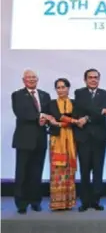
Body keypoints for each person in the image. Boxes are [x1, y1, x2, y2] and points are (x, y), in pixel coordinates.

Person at [73, 69, 106, 212]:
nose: (93, 80)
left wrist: (88, 117)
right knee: (84, 171)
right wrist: (101, 110)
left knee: (98, 170)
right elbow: (82, 107)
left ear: (99, 79)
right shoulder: (79, 93)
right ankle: (84, 201)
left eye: (96, 77)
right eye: (90, 77)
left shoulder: (105, 93)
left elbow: (98, 115)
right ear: (85, 80)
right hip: (83, 137)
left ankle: (96, 200)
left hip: (99, 137)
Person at [12, 70, 51, 214]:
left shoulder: (44, 95)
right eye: (28, 77)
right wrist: (39, 118)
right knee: (22, 172)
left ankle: (35, 201)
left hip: (40, 139)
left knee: (37, 172)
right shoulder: (17, 95)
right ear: (23, 80)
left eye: (34, 77)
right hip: (24, 140)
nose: (31, 79)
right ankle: (21, 203)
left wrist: (47, 120)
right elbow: (20, 113)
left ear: (38, 79)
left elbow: (49, 114)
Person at [47, 78, 80, 211]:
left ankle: (69, 202)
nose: (61, 90)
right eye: (58, 87)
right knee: (57, 170)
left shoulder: (75, 103)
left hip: (71, 140)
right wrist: (72, 120)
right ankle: (57, 203)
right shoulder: (51, 103)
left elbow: (62, 118)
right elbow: (56, 115)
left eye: (63, 87)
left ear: (68, 88)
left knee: (69, 171)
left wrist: (59, 122)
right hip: (57, 141)